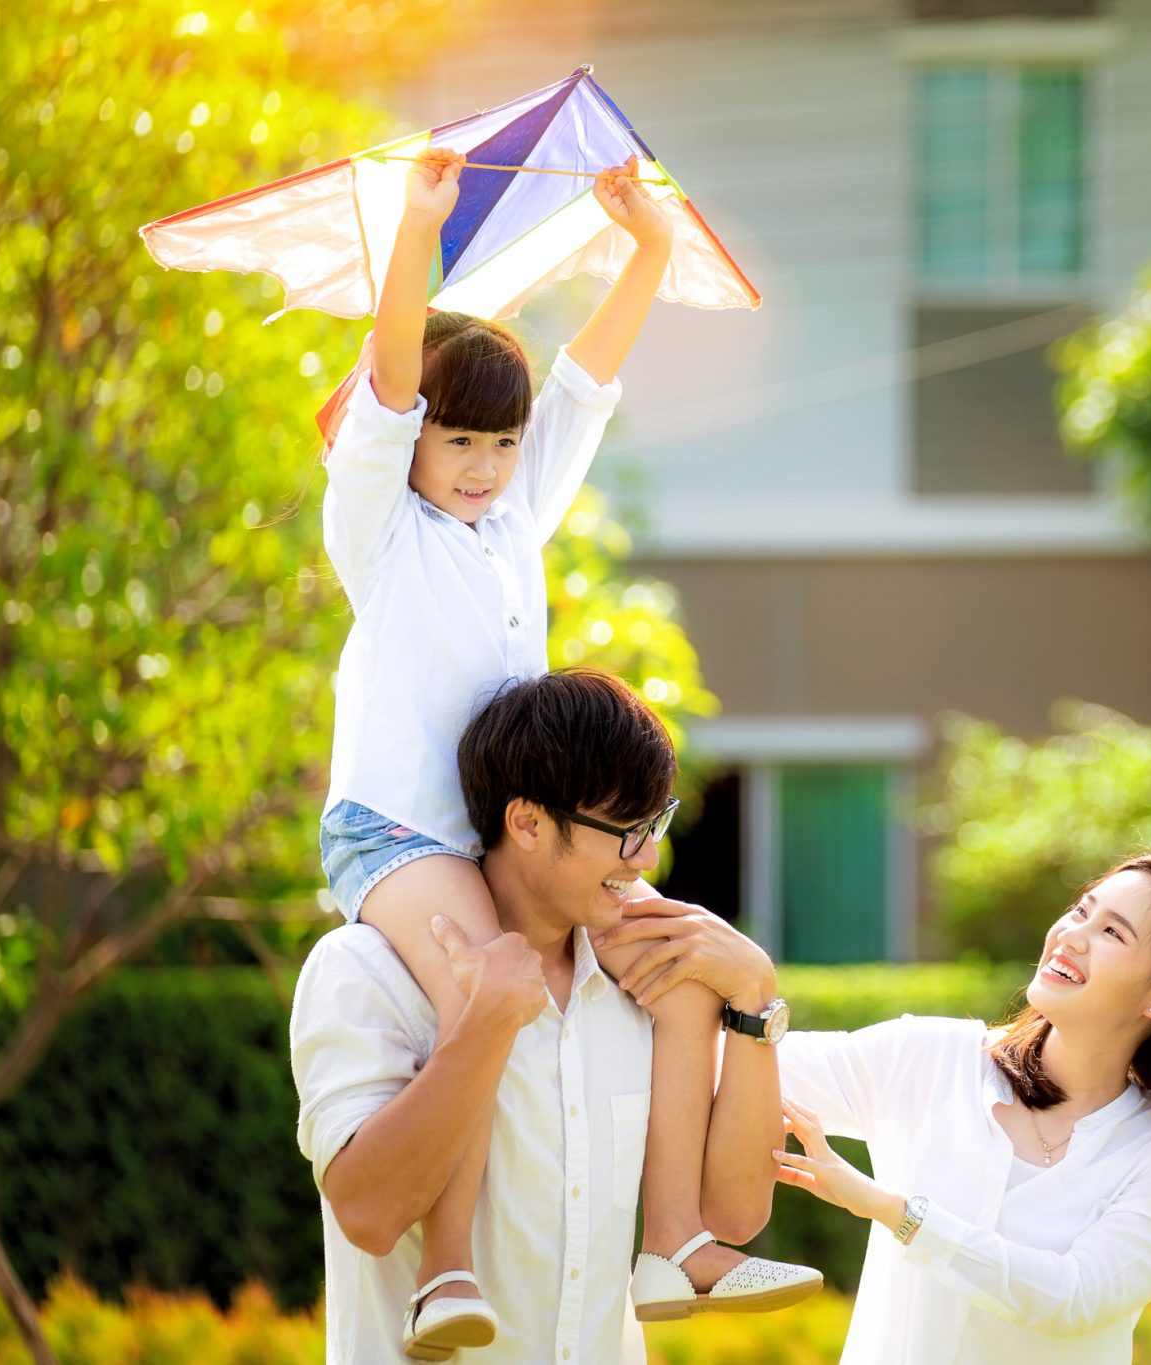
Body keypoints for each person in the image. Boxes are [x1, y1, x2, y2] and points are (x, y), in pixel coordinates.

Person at [314, 150, 814, 1358]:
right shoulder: (382, 531)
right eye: (460, 441)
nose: (484, 466)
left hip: (504, 828)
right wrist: (416, 238)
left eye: (502, 443)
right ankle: (447, 1274)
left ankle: (676, 1240)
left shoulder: (512, 524)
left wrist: (645, 246)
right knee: (487, 987)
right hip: (398, 832)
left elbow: (587, 381)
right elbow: (387, 394)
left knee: (679, 959)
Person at [292, 668, 819, 1364]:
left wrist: (754, 995)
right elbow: (369, 1212)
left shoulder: (648, 987)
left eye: (654, 822)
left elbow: (736, 1211)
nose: (649, 857)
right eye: (627, 831)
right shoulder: (365, 971)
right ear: (529, 822)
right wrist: (483, 1023)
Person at [756, 853, 1151, 1364]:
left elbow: (1072, 1298)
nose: (1072, 935)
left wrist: (890, 1209)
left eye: (1112, 932)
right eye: (1082, 910)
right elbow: (736, 1069)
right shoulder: (929, 1058)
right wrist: (737, 986)